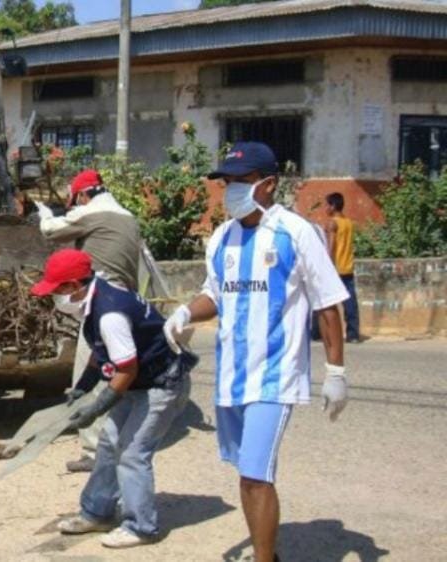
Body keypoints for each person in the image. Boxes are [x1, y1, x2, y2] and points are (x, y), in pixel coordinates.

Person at [163, 142, 350, 562]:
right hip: (232, 376)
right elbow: (215, 294)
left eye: (242, 181)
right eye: (226, 181)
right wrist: (185, 312)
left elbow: (327, 305)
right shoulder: (221, 238)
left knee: (255, 474)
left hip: (274, 376)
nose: (231, 189)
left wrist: (336, 372)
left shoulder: (295, 232)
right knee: (246, 473)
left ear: (268, 184)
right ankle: (267, 551)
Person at [30, 248, 196, 549]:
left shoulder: (109, 313)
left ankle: (141, 527)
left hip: (162, 384)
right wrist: (83, 386)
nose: (54, 297)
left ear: (73, 286)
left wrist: (95, 409)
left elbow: (126, 369)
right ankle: (97, 513)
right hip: (139, 383)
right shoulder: (98, 299)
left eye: (56, 290)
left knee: (132, 453)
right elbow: (102, 350)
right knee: (108, 443)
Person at [34, 168, 142, 472]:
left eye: (76, 201)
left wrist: (44, 214)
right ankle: (118, 440)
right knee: (116, 370)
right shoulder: (128, 216)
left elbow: (51, 231)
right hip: (127, 300)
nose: (76, 206)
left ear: (82, 195)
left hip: (102, 302)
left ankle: (96, 452)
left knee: (91, 376)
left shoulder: (93, 212)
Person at [324, 192, 361, 343]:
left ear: (333, 206)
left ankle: (318, 332)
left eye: (327, 205)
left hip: (335, 268)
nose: (325, 208)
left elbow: (331, 246)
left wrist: (327, 265)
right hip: (348, 268)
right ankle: (353, 334)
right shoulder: (349, 223)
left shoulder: (332, 223)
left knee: (323, 300)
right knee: (350, 303)